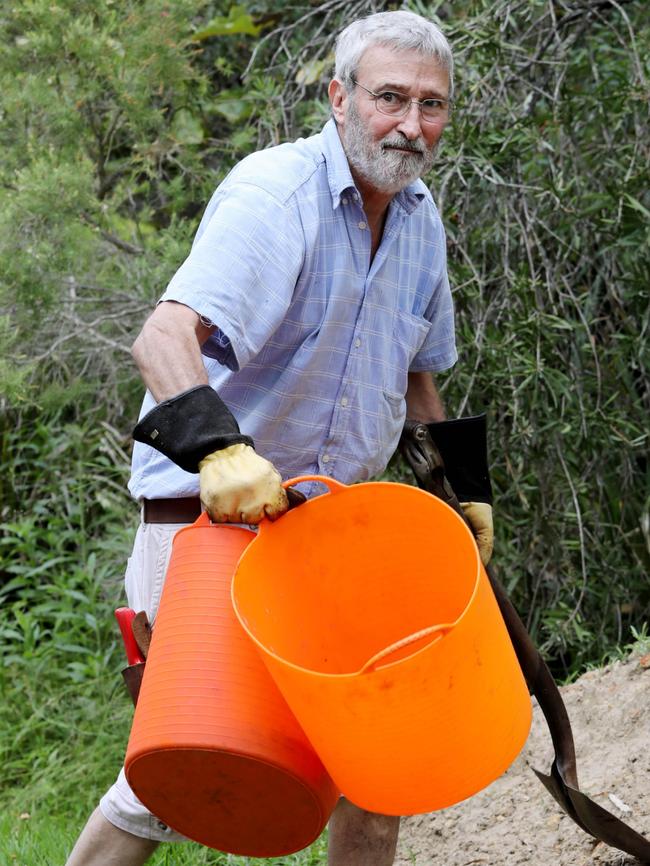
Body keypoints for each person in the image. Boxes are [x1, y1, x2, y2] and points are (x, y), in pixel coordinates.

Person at [65, 9, 493, 866]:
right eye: (390, 98)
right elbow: (162, 339)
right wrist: (222, 453)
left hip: (331, 538)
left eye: (432, 105)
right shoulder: (278, 196)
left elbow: (418, 376)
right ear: (339, 98)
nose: (411, 126)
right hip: (208, 533)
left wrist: (465, 490)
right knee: (180, 777)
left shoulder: (419, 219)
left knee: (376, 776)